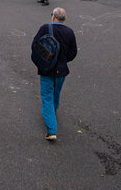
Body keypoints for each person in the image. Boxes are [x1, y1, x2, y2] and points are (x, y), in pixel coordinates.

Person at [31, 8, 77, 141]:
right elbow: (73, 52)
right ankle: (52, 113)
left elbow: (35, 45)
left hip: (46, 69)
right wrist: (62, 60)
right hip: (61, 70)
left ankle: (51, 130)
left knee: (46, 97)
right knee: (56, 93)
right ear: (65, 18)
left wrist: (41, 62)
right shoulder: (69, 32)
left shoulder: (45, 28)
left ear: (53, 17)